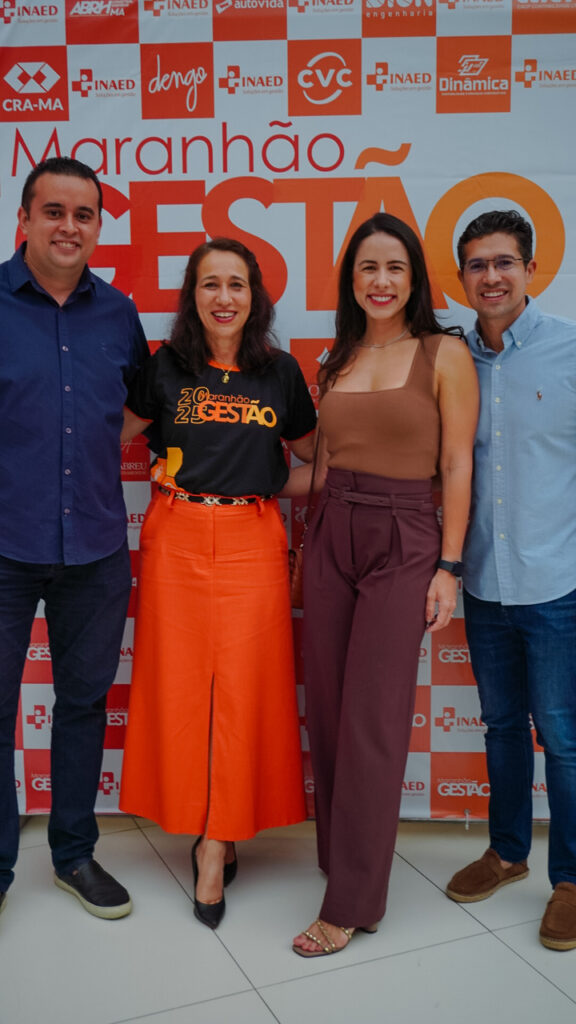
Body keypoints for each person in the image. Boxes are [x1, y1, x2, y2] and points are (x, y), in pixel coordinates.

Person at [291, 212, 479, 957]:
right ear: (351, 280)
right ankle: (342, 860)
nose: (381, 280)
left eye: (395, 267)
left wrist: (449, 567)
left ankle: (352, 903)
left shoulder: (444, 353)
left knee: (373, 718)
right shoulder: (335, 358)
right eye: (367, 267)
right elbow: (324, 467)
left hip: (405, 539)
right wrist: (229, 470)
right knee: (330, 711)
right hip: (332, 528)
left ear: (414, 279)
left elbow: (456, 464)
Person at [119, 237, 317, 929]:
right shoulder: (165, 366)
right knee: (180, 693)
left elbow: (318, 461)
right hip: (175, 536)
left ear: (254, 297)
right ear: (193, 296)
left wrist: (270, 481)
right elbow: (109, 436)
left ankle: (215, 844)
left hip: (251, 539)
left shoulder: (280, 372)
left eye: (237, 284)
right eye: (210, 284)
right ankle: (205, 825)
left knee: (241, 695)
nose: (224, 297)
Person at [0, 156, 149, 921]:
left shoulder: (118, 313)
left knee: (84, 705)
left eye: (83, 214)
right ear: (24, 220)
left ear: (97, 227)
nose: (69, 226)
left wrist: (83, 442)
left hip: (94, 547)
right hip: (3, 547)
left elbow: (144, 404)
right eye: (53, 211)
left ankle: (73, 854)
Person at [445, 209, 576, 951]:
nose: (490, 277)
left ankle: (572, 879)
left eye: (504, 262)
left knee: (562, 736)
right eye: (477, 265)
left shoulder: (569, 350)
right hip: (483, 582)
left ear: (529, 268)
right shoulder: (451, 358)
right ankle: (507, 852)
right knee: (500, 724)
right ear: (462, 277)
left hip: (558, 583)